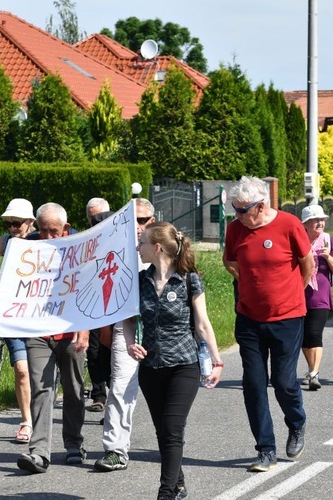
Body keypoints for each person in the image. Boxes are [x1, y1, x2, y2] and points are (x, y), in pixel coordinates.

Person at [223, 176, 314, 473]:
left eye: (241, 210)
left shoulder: (289, 225)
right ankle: (265, 449)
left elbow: (307, 263)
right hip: (249, 318)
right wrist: (248, 284)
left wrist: (292, 293)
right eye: (234, 210)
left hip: (287, 317)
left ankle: (296, 422)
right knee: (253, 383)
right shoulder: (236, 230)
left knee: (285, 382)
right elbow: (230, 262)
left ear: (260, 206)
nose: (236, 216)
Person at [128, 222, 223, 500]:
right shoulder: (139, 280)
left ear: (157, 247)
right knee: (163, 430)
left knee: (172, 428)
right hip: (150, 367)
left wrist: (217, 361)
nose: (138, 248)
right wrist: (130, 344)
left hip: (184, 365)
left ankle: (166, 492)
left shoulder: (189, 279)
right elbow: (128, 321)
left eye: (142, 242)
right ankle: (178, 483)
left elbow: (202, 324)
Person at [17, 202, 90, 474]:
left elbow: (86, 293)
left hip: (71, 332)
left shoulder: (79, 251)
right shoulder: (27, 250)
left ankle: (73, 443)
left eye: (54, 231)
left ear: (66, 229)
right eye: (44, 230)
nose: (48, 237)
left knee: (73, 389)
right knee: (41, 388)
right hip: (39, 332)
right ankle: (39, 452)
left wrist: (84, 332)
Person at [94, 197, 156, 473]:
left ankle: (170, 444)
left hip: (161, 329)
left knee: (163, 392)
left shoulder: (163, 245)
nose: (137, 226)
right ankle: (115, 449)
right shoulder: (116, 247)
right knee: (119, 388)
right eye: (132, 220)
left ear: (151, 222)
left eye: (142, 220)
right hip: (126, 326)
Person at [0, 198, 35, 444]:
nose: (13, 229)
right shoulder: (5, 243)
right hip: (12, 314)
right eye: (9, 224)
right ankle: (26, 421)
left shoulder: (43, 242)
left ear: (31, 222)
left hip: (39, 315)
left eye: (17, 223)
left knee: (39, 371)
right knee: (22, 371)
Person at [299, 205, 333, 391]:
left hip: (320, 295)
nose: (320, 223)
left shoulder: (328, 240)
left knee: (315, 333)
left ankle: (315, 374)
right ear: (306, 224)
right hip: (299, 293)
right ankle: (311, 370)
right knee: (302, 336)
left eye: (322, 220)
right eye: (316, 220)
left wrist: (328, 257)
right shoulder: (297, 240)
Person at [85, 198, 113, 413]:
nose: (96, 222)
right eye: (92, 218)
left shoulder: (117, 238)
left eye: (100, 217)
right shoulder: (84, 240)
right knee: (93, 351)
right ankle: (98, 394)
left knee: (112, 350)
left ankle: (114, 398)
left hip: (114, 304)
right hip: (93, 303)